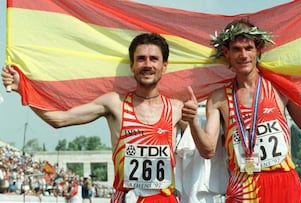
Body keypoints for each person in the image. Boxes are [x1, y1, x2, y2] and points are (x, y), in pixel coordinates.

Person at [182, 18, 301, 203]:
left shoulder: (281, 88)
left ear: (258, 50)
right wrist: (193, 121)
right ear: (226, 52)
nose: (243, 55)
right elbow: (208, 150)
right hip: (243, 189)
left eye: (248, 48)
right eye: (236, 49)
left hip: (284, 186)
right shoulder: (218, 99)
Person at [2, 33, 184, 203]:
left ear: (164, 66)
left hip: (164, 198)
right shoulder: (114, 103)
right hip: (127, 198)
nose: (147, 64)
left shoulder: (177, 108)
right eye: (141, 59)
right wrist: (22, 88)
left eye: (154, 59)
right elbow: (60, 119)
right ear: (132, 65)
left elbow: (207, 149)